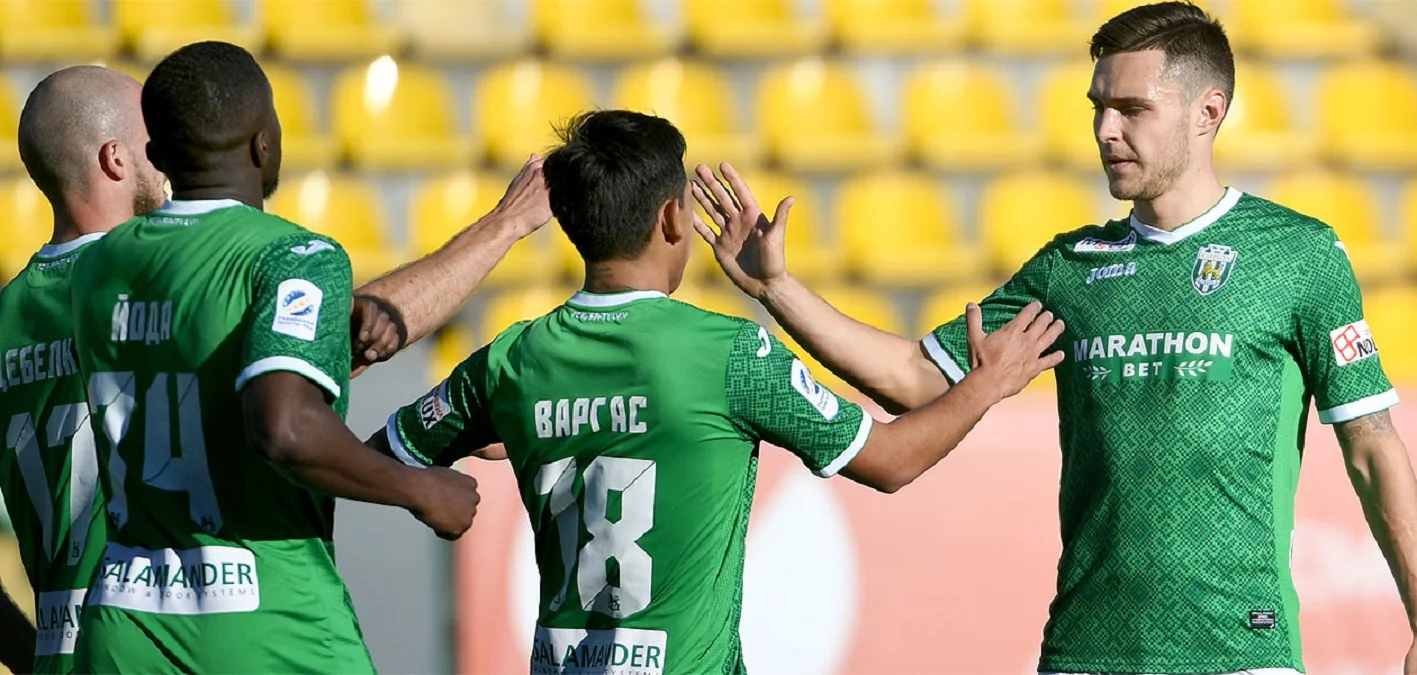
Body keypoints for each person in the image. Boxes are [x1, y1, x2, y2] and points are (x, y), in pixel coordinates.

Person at [693, 2, 1417, 673]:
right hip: (1084, 652)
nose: (1105, 130)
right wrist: (776, 289)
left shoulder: (1297, 255)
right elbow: (914, 378)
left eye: (1132, 108)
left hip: (1241, 651)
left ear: (1209, 112)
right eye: (1098, 107)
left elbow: (1372, 444)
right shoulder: (1069, 270)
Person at [367, 109, 1062, 674]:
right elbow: (890, 461)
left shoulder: (510, 361)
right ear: (673, 219)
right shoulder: (727, 353)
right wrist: (986, 384)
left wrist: (480, 457)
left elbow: (377, 455)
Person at [0, 60, 547, 673]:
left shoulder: (44, 304)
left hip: (107, 640)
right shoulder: (177, 274)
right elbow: (319, 368)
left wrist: (32, 658)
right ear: (118, 159)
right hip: (234, 622)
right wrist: (504, 226)